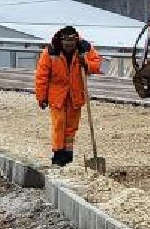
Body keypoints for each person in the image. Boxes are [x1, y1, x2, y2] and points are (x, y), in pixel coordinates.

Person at [35, 26, 103, 166]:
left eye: (72, 42)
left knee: (71, 127)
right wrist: (41, 97)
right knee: (59, 124)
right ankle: (58, 154)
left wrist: (86, 63)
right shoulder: (50, 52)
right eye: (66, 42)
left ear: (76, 40)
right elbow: (42, 76)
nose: (69, 45)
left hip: (75, 94)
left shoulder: (84, 48)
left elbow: (96, 64)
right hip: (57, 96)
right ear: (61, 41)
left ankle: (68, 154)